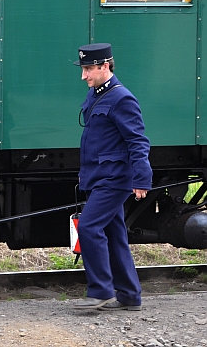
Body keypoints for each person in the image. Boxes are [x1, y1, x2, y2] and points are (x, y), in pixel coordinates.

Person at [72, 43, 152, 311]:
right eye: (83, 69)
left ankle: (101, 291)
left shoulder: (121, 98)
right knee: (114, 234)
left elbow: (138, 140)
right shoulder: (97, 94)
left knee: (88, 227)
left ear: (105, 66)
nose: (84, 75)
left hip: (114, 178)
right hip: (99, 177)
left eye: (88, 69)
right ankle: (129, 295)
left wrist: (141, 178)